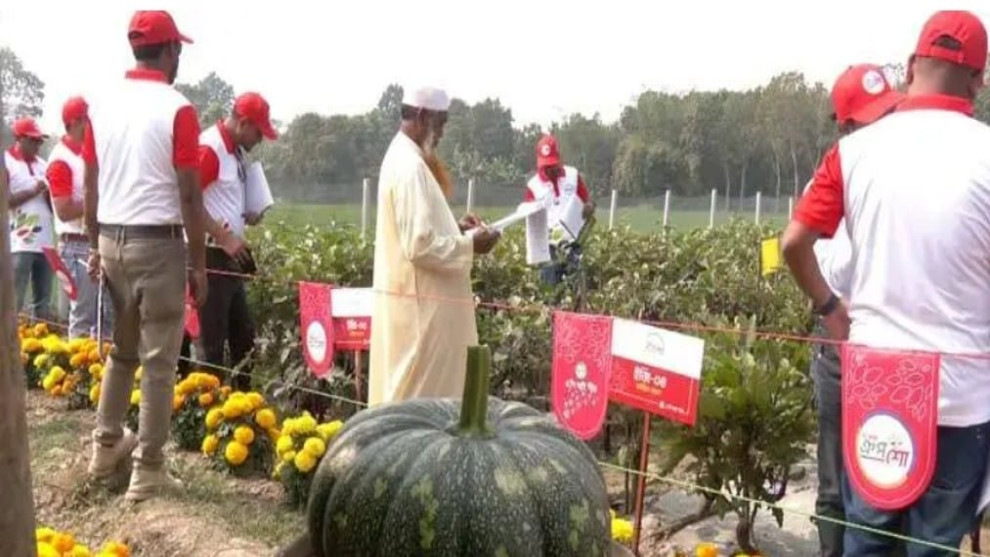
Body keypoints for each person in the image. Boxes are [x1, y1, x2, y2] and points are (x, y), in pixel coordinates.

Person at [782, 10, 990, 554]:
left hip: (878, 390)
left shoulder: (852, 153)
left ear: (912, 66)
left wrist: (829, 306)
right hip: (959, 400)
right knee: (933, 544)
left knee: (868, 538)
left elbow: (793, 243)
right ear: (979, 79)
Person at [82, 10, 207, 502]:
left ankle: (105, 445)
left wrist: (95, 243)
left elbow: (92, 182)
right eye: (179, 50)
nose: (180, 59)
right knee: (158, 361)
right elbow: (190, 194)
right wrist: (198, 262)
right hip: (159, 244)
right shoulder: (178, 108)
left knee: (122, 350)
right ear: (170, 50)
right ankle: (148, 467)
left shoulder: (101, 106)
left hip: (112, 240)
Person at [804, 64, 903, 557]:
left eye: (888, 113)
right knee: (834, 478)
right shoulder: (829, 181)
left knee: (887, 475)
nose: (881, 126)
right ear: (844, 127)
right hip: (841, 355)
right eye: (868, 120)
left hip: (894, 358)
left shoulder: (907, 178)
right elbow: (810, 258)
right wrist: (831, 307)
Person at [367, 85, 500, 406]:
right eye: (440, 123)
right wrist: (471, 245)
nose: (441, 133)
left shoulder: (404, 158)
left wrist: (454, 229)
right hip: (422, 324)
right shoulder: (410, 167)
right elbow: (420, 245)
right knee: (420, 415)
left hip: (419, 313)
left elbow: (416, 230)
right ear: (423, 116)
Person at [197, 92, 278, 391]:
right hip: (210, 255)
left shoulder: (234, 153)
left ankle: (240, 410)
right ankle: (206, 412)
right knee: (212, 345)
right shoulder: (211, 148)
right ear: (244, 123)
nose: (260, 139)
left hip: (229, 256)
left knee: (244, 338)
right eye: (259, 132)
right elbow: (186, 200)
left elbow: (220, 199)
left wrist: (247, 215)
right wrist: (223, 235)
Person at [47, 96, 115, 339]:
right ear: (75, 122)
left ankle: (100, 371)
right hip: (76, 244)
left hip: (97, 241)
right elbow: (63, 209)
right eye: (87, 120)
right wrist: (95, 202)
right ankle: (77, 374)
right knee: (85, 315)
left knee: (106, 314)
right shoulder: (60, 160)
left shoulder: (90, 153)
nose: (92, 125)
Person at [523, 135, 595, 285]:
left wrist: (588, 208)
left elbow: (586, 201)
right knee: (550, 293)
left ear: (559, 158)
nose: (549, 170)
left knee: (577, 287)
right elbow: (531, 224)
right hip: (548, 249)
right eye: (545, 166)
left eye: (552, 165)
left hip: (573, 244)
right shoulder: (533, 186)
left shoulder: (573, 175)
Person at [5, 117, 53, 320]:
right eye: (34, 140)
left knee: (43, 300)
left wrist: (48, 195)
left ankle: (40, 342)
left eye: (40, 141)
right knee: (14, 298)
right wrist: (33, 190)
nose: (38, 145)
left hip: (46, 242)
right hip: (19, 241)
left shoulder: (44, 165)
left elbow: (54, 205)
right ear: (20, 139)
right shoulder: (6, 162)